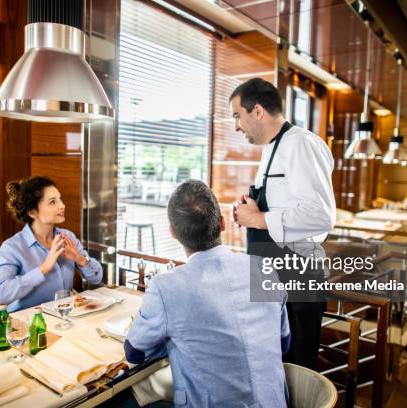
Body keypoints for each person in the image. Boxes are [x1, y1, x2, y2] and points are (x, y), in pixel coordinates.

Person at [124, 180, 290, 407]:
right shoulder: (265, 269)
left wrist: (176, 338)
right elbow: (284, 342)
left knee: (125, 399)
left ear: (172, 233)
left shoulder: (167, 287)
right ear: (222, 223)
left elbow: (135, 353)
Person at [231, 78, 335, 369]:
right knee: (272, 366)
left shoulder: (301, 144)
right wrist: (250, 209)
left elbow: (320, 214)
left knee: (296, 368)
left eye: (237, 115)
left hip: (297, 280)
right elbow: (281, 205)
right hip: (271, 278)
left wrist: (259, 218)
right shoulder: (270, 149)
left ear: (258, 111)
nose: (236, 125)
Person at [0, 176, 103, 312]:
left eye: (60, 199)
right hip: (27, 326)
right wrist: (43, 269)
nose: (62, 206)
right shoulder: (12, 248)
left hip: (63, 320)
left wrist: (80, 259)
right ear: (32, 212)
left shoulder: (67, 237)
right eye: (52, 202)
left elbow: (97, 277)